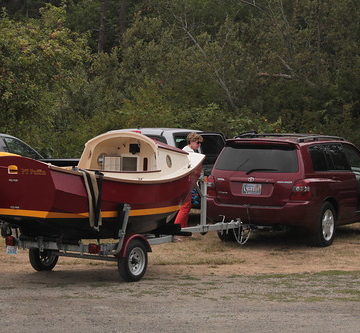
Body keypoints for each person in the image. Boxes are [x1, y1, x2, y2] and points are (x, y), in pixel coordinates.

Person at [174, 133, 203, 230]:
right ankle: (176, 231)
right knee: (185, 207)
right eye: (198, 142)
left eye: (200, 143)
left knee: (187, 205)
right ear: (191, 141)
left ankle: (183, 229)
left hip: (185, 182)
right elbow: (193, 169)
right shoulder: (190, 153)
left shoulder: (186, 150)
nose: (199, 145)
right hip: (185, 182)